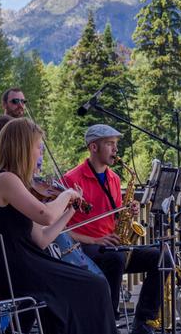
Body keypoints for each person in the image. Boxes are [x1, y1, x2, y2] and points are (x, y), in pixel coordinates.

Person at [0, 118, 116, 334]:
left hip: (27, 265)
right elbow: (46, 215)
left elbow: (41, 238)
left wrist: (70, 211)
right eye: (38, 148)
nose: (40, 155)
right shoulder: (5, 179)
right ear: (23, 148)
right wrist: (67, 193)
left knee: (91, 285)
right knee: (95, 285)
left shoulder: (16, 183)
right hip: (17, 270)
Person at [63, 124, 165, 334]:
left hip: (112, 245)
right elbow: (61, 231)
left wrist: (129, 211)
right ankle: (108, 322)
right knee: (115, 258)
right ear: (93, 147)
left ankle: (144, 320)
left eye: (115, 144)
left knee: (162, 256)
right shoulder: (71, 179)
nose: (115, 149)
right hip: (83, 249)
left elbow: (116, 215)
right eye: (109, 144)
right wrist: (94, 240)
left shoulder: (115, 179)